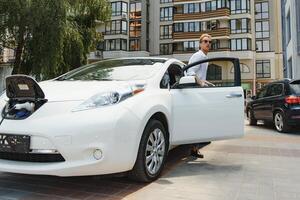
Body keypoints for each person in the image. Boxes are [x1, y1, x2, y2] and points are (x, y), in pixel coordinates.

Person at [187, 34, 213, 158]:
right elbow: (190, 72)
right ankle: (194, 148)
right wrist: (201, 82)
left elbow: (199, 76)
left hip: (199, 91)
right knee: (198, 121)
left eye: (210, 42)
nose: (208, 43)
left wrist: (205, 82)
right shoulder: (198, 56)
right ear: (200, 44)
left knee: (200, 120)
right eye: (205, 41)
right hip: (194, 92)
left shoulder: (204, 57)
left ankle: (194, 148)